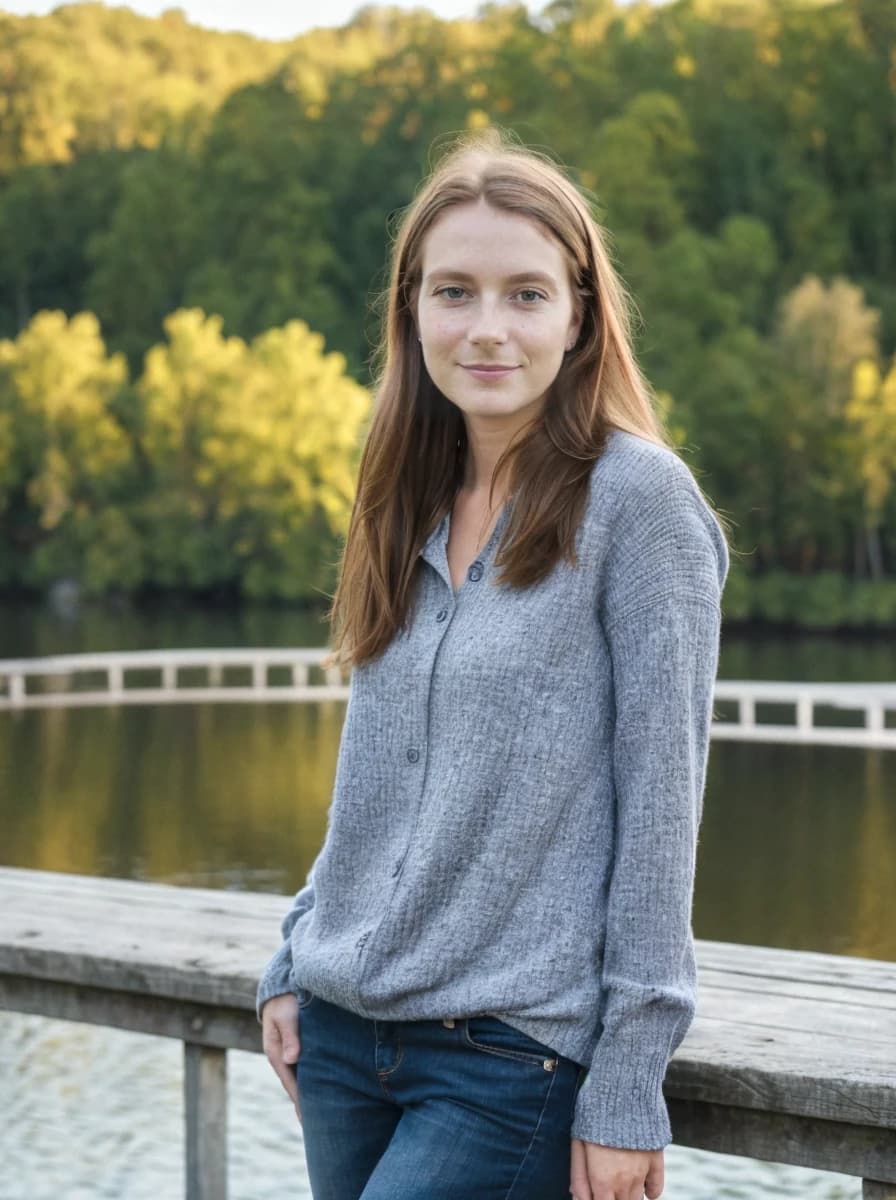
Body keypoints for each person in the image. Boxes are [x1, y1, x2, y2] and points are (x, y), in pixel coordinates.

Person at [258, 128, 730, 1200]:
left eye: (523, 295)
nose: (484, 328)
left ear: (578, 316)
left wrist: (626, 1085)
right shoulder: (405, 495)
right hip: (339, 1043)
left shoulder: (638, 506)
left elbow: (660, 809)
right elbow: (378, 778)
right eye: (452, 292)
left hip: (502, 1056)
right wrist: (293, 956)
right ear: (410, 308)